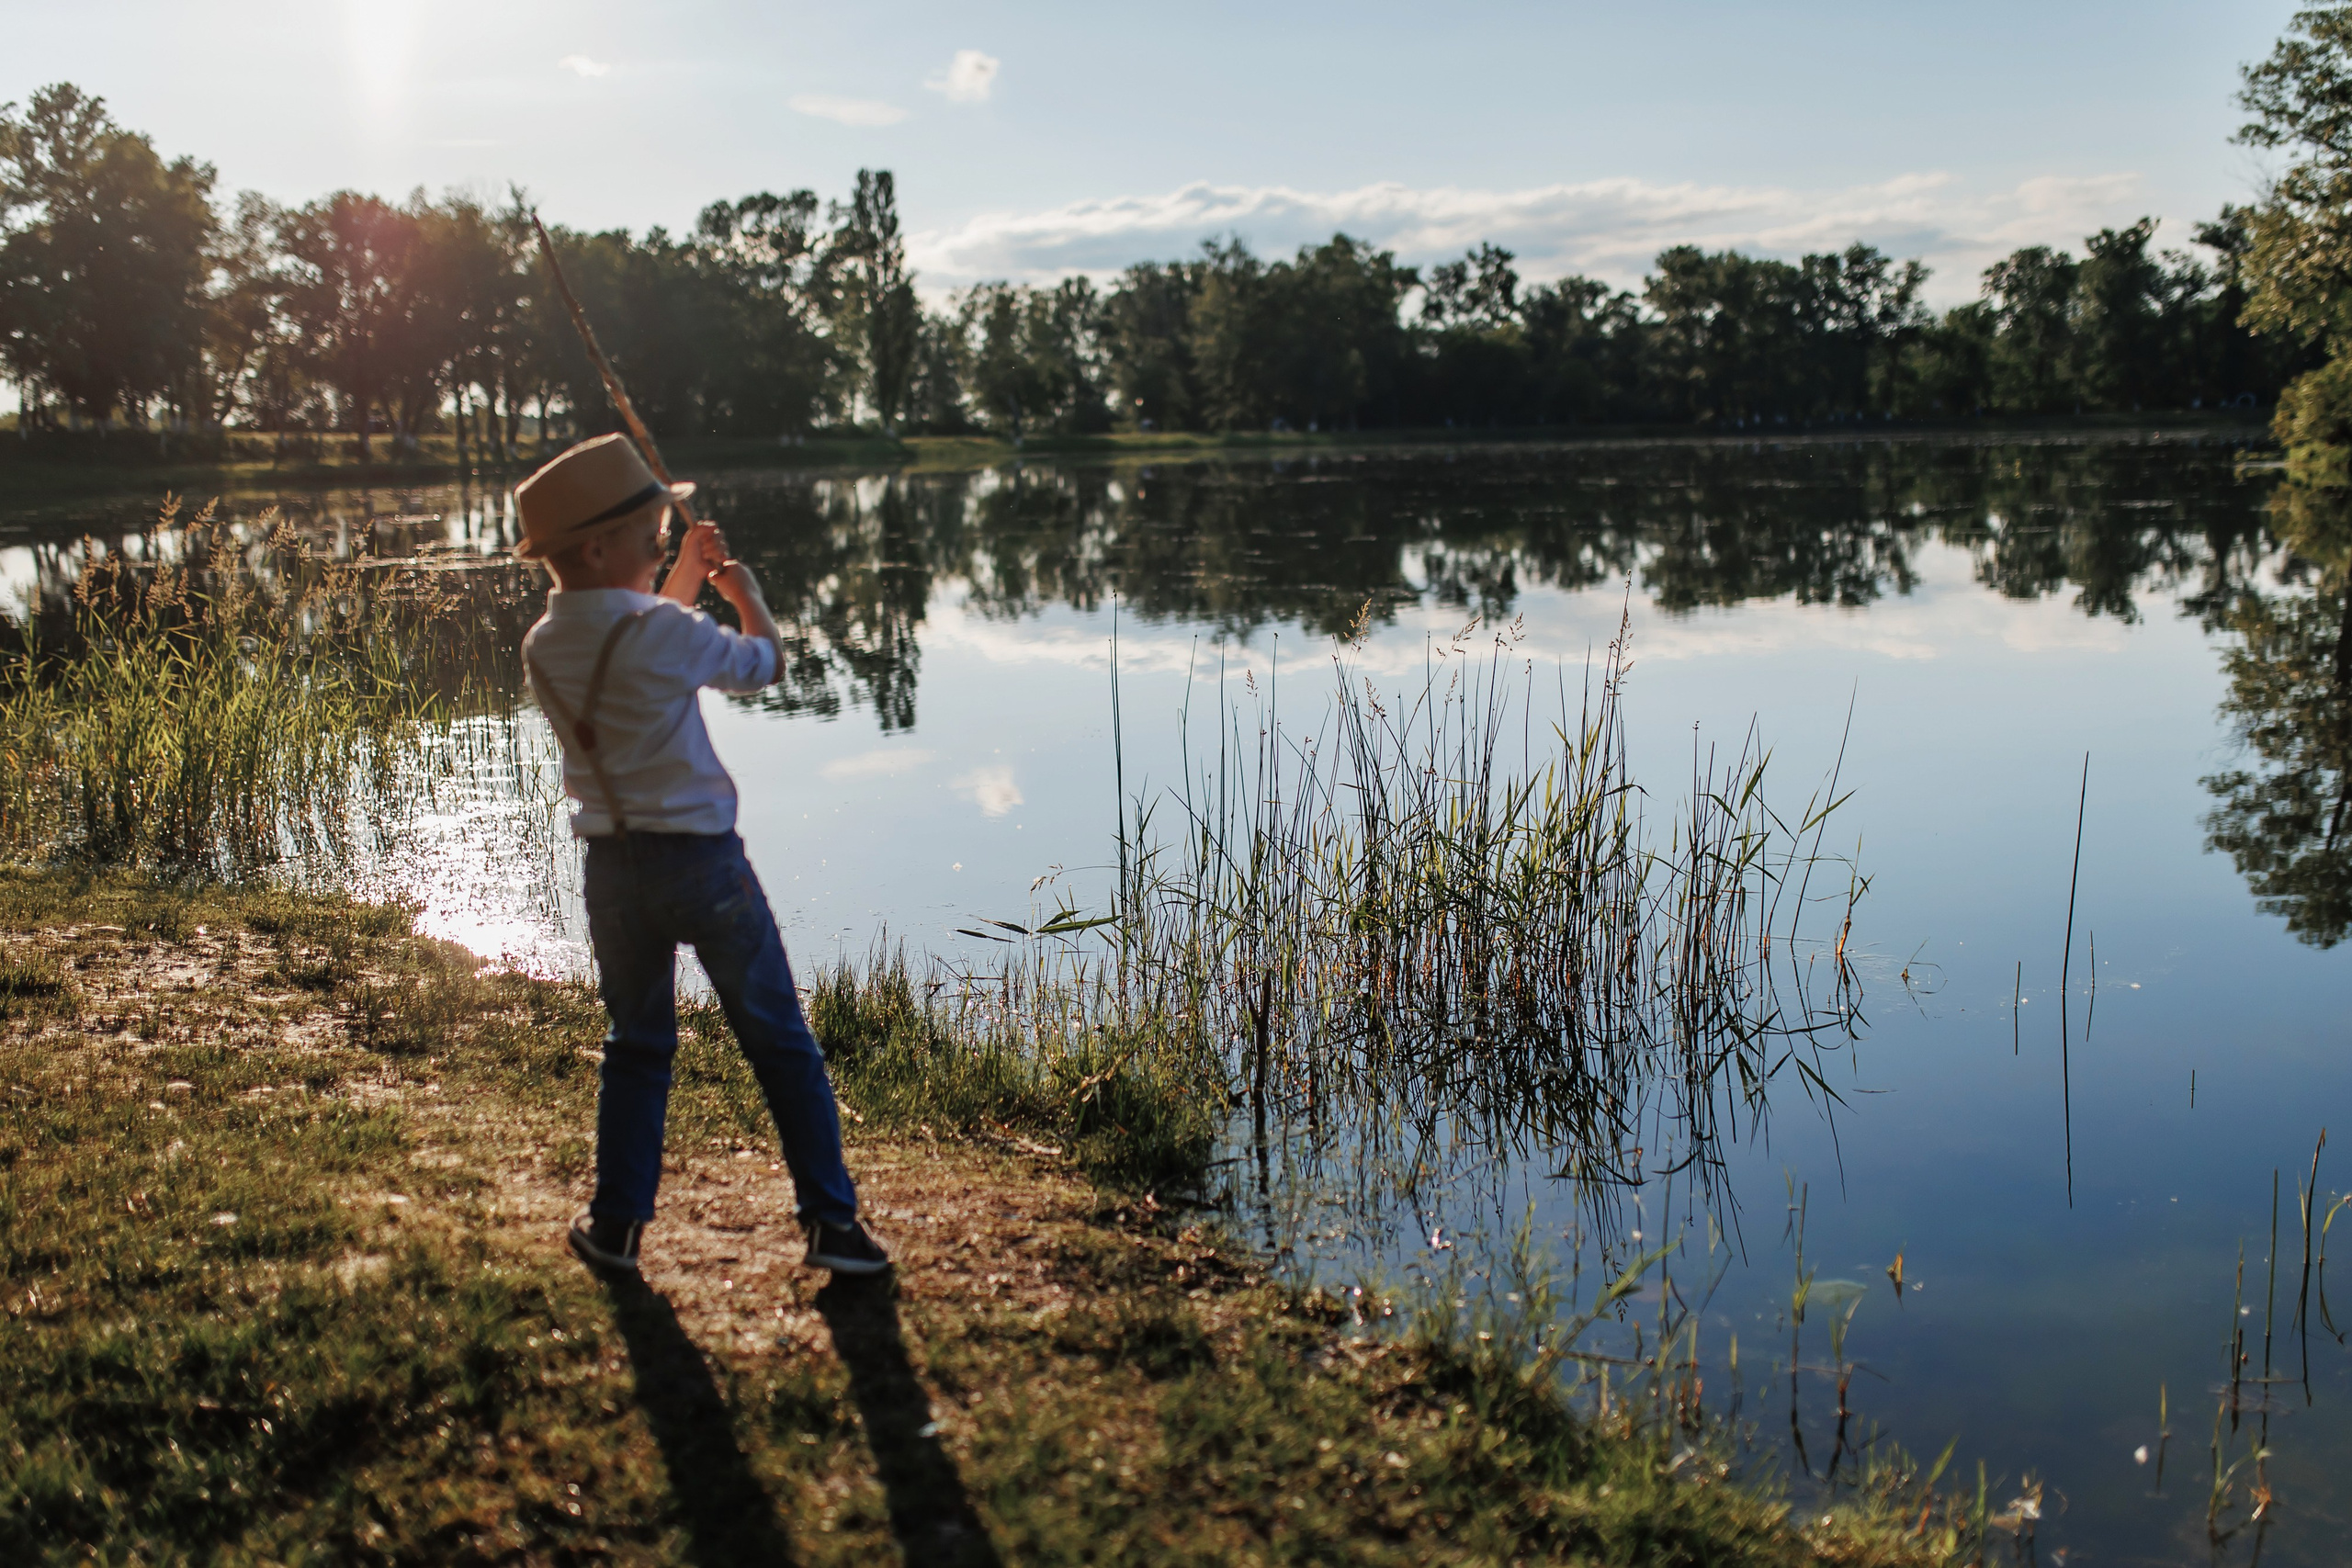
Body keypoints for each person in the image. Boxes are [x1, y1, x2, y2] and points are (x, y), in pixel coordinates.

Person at [514, 433, 888, 1277]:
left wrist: (684, 570)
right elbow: (763, 664)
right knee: (780, 1042)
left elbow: (636, 636)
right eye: (652, 536)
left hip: (613, 873)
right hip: (704, 867)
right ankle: (832, 1226)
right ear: (598, 547)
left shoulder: (545, 643)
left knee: (637, 1045)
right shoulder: (664, 633)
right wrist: (745, 593)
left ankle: (616, 1226)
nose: (660, 546)